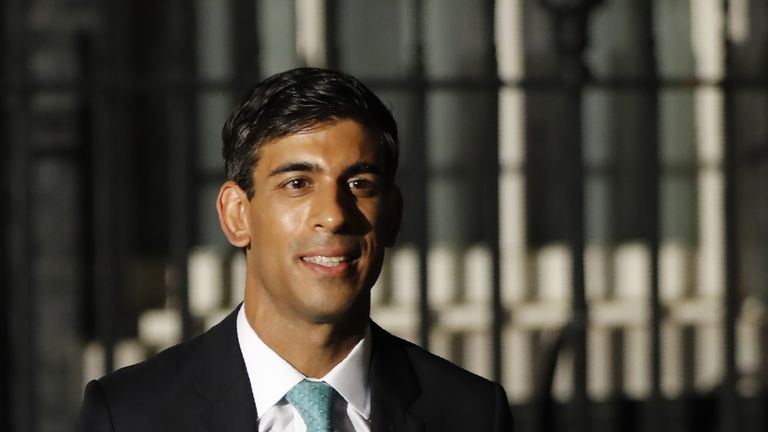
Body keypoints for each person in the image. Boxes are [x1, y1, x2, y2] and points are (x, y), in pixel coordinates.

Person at [80, 67, 512, 431]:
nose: (334, 214)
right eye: (298, 184)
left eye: (359, 184)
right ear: (236, 214)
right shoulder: (132, 415)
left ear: (393, 215)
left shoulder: (470, 414)